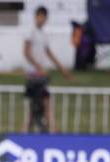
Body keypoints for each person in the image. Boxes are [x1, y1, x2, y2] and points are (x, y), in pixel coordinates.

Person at [23, 5, 72, 133]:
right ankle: (50, 129)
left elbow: (49, 53)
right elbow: (27, 53)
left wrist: (62, 69)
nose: (42, 20)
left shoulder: (43, 34)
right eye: (40, 17)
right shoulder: (31, 32)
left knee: (41, 105)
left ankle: (49, 128)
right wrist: (39, 67)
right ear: (36, 17)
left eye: (44, 18)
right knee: (37, 106)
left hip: (41, 76)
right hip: (33, 75)